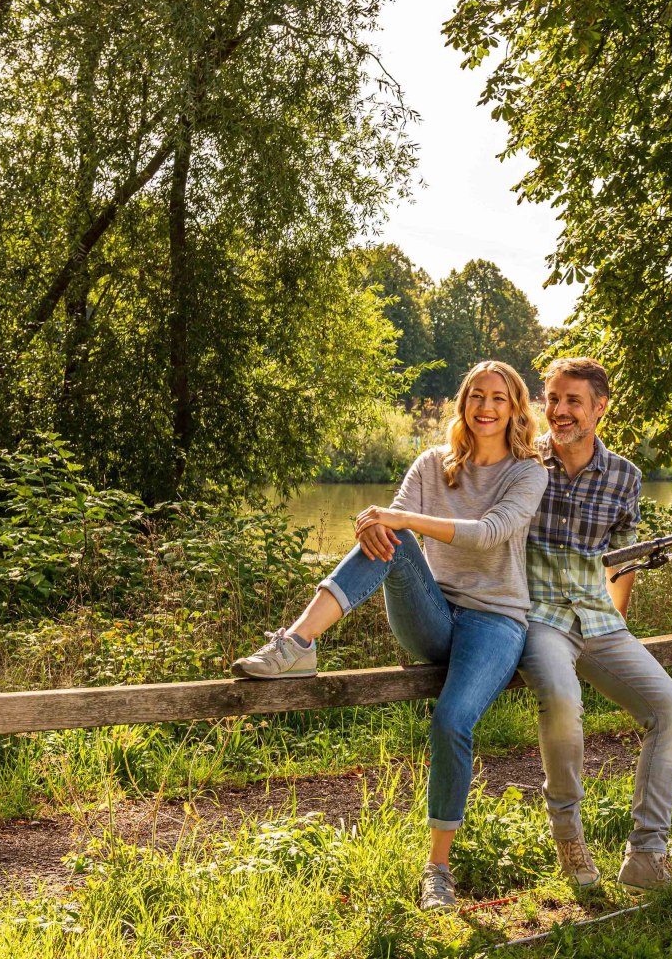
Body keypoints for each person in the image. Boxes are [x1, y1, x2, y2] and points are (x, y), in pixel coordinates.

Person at [229, 360, 549, 913]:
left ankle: (438, 870)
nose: (487, 407)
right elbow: (390, 524)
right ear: (464, 403)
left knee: (452, 722)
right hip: (434, 615)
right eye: (477, 395)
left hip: (496, 621)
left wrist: (399, 521)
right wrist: (373, 524)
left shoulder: (527, 472)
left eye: (499, 398)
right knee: (389, 540)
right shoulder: (432, 465)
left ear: (516, 408)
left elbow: (490, 533)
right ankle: (297, 645)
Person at [519, 357, 672, 893]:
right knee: (564, 701)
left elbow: (622, 559)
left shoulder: (625, 476)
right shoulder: (522, 462)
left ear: (600, 408)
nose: (560, 410)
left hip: (597, 619)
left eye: (573, 400)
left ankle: (646, 856)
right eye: (553, 398)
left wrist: (616, 625)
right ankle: (567, 833)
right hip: (538, 616)